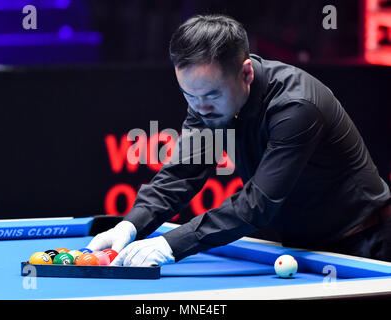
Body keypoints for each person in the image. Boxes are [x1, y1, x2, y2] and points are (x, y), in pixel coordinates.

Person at [87, 14, 391, 265]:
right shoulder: (204, 102)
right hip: (302, 250)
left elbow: (257, 205)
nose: (200, 107)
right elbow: (182, 174)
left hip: (365, 244)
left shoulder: (296, 106)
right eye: (189, 96)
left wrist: (169, 244)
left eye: (211, 95)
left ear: (245, 73)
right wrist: (130, 225)